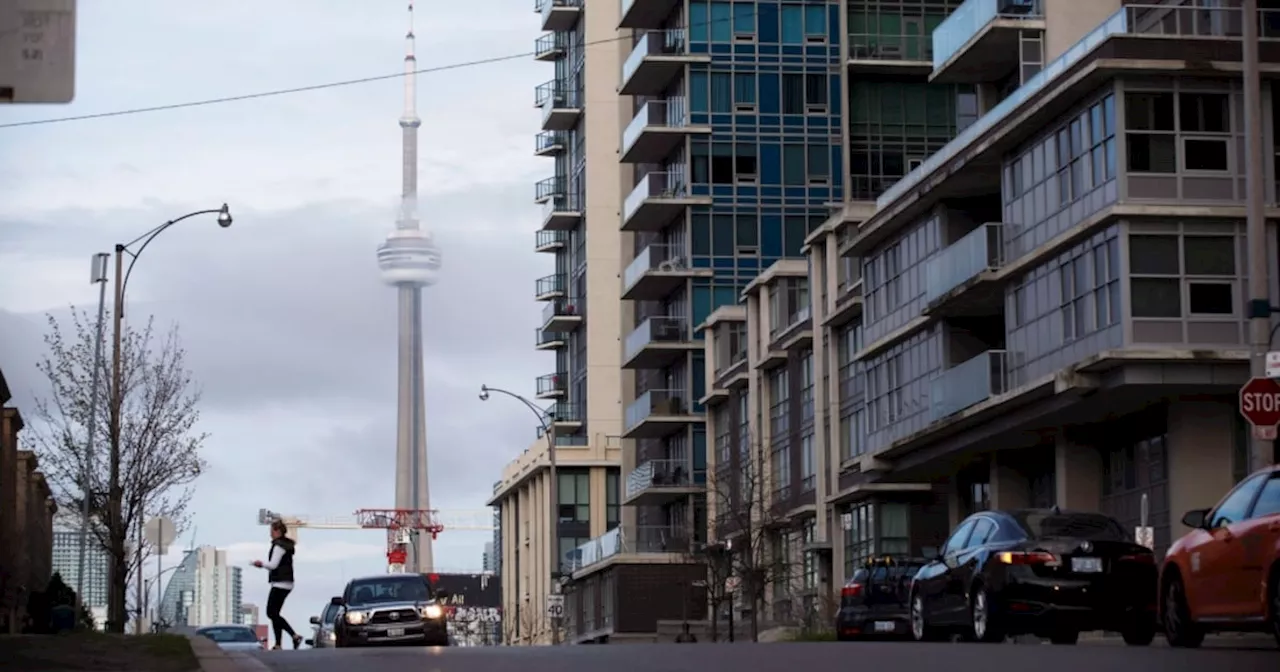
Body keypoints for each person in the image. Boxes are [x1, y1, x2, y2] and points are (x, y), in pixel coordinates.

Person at [253, 519, 302, 650]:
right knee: (275, 614)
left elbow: (273, 565)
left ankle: (294, 635)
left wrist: (260, 564)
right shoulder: (286, 545)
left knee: (271, 613)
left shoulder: (279, 546)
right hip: (287, 582)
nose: (270, 534)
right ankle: (278, 644)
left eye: (271, 531)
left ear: (277, 531)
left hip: (280, 583)